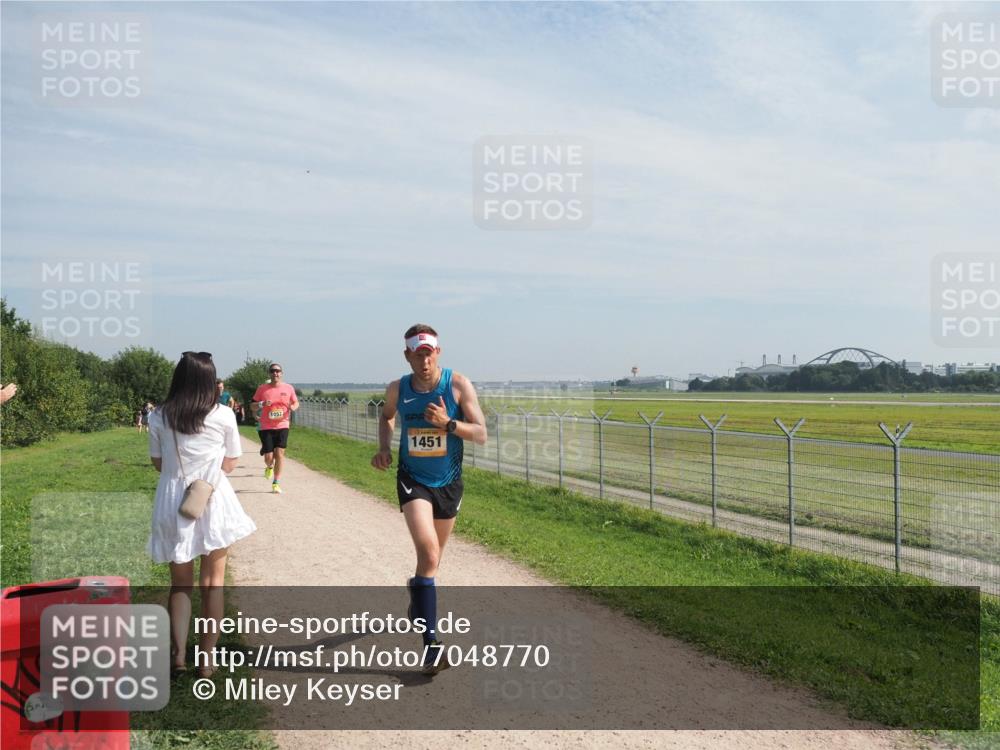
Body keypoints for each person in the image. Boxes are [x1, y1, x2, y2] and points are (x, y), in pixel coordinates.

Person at [371, 324, 487, 675]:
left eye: (429, 353)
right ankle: (432, 647)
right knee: (430, 553)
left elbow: (481, 434)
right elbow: (387, 417)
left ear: (438, 352)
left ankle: (417, 593)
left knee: (430, 564)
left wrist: (448, 423)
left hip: (448, 483)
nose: (424, 361)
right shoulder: (398, 388)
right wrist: (384, 447)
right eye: (417, 355)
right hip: (413, 479)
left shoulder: (458, 385)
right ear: (407, 355)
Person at [147, 351, 256, 678]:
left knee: (180, 584)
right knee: (212, 583)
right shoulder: (224, 415)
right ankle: (206, 659)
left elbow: (158, 464)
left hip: (173, 499)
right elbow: (231, 463)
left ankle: (179, 655)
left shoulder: (159, 415)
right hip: (212, 497)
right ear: (210, 380)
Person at [252, 363, 299, 494]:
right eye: (273, 371)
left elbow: (296, 402)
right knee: (269, 457)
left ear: (281, 373)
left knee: (279, 453)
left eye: (278, 371)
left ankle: (276, 482)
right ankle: (269, 466)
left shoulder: (288, 388)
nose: (275, 373)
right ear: (269, 373)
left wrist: (293, 407)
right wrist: (261, 404)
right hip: (266, 426)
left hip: (283, 424)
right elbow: (252, 406)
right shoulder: (262, 389)